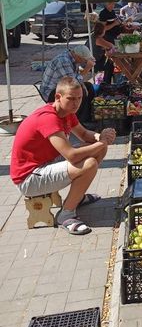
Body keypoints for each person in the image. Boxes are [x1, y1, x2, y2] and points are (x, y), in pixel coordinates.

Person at [10, 76, 116, 235]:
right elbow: (71, 155)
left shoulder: (67, 111)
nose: (76, 103)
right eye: (71, 99)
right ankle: (66, 214)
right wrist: (101, 143)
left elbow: (84, 134)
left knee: (97, 150)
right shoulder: (48, 118)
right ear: (58, 97)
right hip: (28, 178)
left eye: (79, 98)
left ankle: (76, 197)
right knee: (90, 163)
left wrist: (100, 137)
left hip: (45, 164)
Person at [40, 45, 95, 123]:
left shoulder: (72, 57)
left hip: (61, 87)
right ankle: (79, 120)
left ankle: (88, 116)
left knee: (88, 86)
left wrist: (89, 63)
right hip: (50, 92)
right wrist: (87, 68)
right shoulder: (63, 61)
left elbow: (77, 77)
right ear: (78, 57)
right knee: (80, 91)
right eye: (84, 60)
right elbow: (72, 83)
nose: (84, 62)